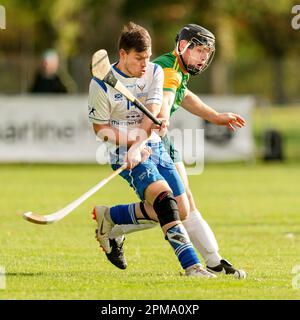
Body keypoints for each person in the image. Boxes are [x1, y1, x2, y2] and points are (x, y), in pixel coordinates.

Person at [103, 24, 247, 277]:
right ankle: (113, 220)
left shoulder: (177, 67)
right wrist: (160, 116)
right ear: (183, 46)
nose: (204, 57)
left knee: (184, 203)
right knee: (176, 206)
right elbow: (167, 97)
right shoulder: (169, 70)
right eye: (200, 50)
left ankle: (213, 260)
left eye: (207, 52)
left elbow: (184, 94)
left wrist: (214, 116)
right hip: (145, 136)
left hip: (159, 137)